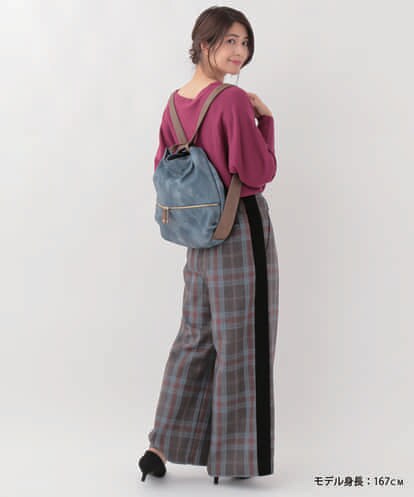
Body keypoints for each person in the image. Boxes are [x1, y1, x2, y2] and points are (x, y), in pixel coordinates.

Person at [138, 6, 279, 484]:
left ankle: (159, 444)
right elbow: (258, 172)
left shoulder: (174, 103)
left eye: (245, 42)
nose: (240, 52)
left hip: (197, 236)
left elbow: (163, 167)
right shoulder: (233, 101)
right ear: (204, 44)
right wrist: (266, 122)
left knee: (194, 337)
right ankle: (235, 461)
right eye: (230, 41)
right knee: (243, 340)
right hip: (238, 228)